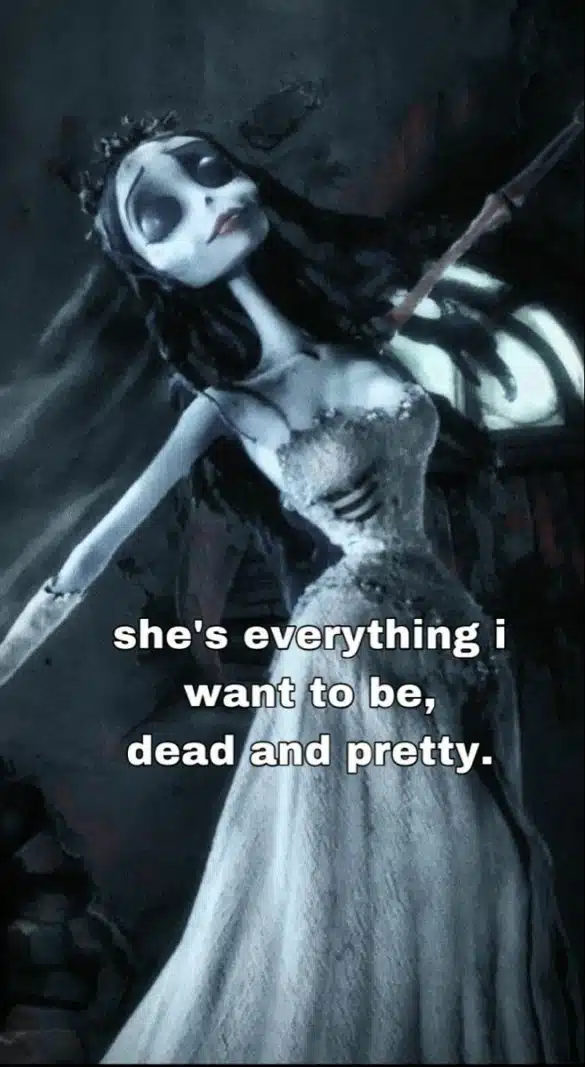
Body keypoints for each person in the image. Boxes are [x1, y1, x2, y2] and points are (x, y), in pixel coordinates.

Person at [0, 114, 582, 1062]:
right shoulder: (226, 404)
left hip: (453, 638)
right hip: (352, 655)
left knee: (493, 896)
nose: (210, 204)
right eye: (164, 214)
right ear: (154, 271)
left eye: (209, 171)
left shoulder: (366, 341)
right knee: (430, 884)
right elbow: (89, 558)